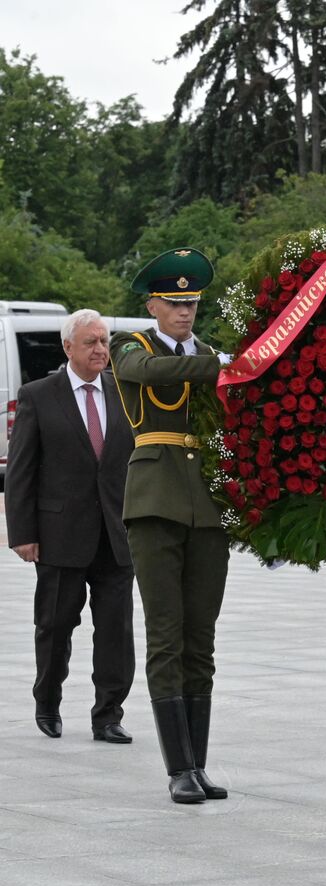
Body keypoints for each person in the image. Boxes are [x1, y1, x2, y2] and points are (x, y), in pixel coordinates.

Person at [110, 247, 232, 805]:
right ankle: (177, 766)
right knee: (165, 634)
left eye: (192, 303)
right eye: (175, 303)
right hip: (154, 500)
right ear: (153, 304)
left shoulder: (208, 351)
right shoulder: (128, 347)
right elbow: (149, 374)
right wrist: (224, 363)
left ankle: (199, 763)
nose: (185, 312)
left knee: (199, 639)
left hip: (204, 505)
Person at [5, 310, 136, 744]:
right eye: (91, 342)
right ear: (68, 348)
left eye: (104, 341)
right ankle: (47, 700)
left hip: (116, 536)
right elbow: (21, 471)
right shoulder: (38, 395)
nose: (101, 349)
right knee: (56, 625)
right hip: (60, 535)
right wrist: (23, 533)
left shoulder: (125, 393)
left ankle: (108, 714)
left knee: (116, 631)